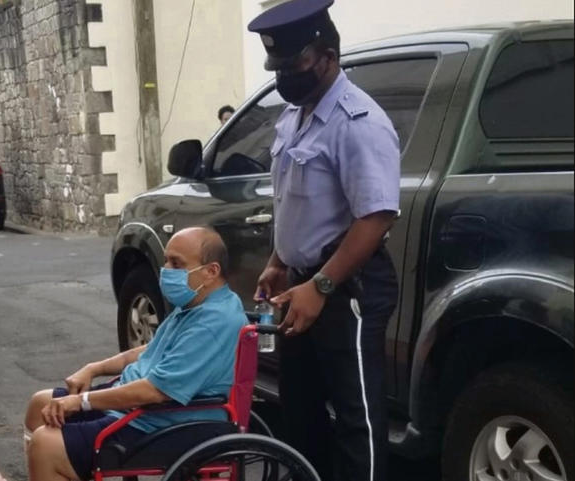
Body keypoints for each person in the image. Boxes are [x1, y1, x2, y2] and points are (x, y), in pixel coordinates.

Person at [248, 1, 401, 481]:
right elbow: (296, 202)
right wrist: (279, 262)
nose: (284, 77)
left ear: (328, 56)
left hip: (347, 286)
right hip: (302, 286)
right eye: (278, 67)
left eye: (294, 65)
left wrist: (322, 286)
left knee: (357, 420)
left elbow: (375, 216)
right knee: (301, 413)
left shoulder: (358, 122)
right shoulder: (295, 116)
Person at [23, 226, 247, 481]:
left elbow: (155, 391)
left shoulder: (212, 323)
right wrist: (94, 368)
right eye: (166, 261)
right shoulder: (197, 305)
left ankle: (56, 466)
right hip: (140, 409)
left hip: (165, 421)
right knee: (40, 404)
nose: (166, 270)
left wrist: (81, 401)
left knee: (46, 446)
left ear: (211, 271)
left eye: (176, 263)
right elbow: (151, 350)